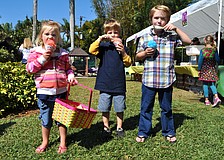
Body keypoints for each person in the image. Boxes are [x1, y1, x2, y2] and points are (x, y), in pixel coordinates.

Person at [135, 5, 191, 143]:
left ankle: (168, 131)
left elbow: (188, 41)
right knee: (146, 107)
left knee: (166, 108)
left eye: (163, 18)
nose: (159, 21)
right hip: (149, 79)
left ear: (167, 20)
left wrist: (177, 29)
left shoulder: (172, 36)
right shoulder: (144, 36)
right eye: (156, 18)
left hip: (166, 79)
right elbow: (137, 56)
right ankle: (143, 132)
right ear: (151, 19)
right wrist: (144, 53)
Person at [26, 20, 78, 154]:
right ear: (41, 36)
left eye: (54, 35)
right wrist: (43, 58)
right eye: (47, 34)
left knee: (62, 118)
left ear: (58, 37)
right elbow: (30, 69)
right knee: (46, 118)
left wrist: (70, 76)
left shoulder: (63, 54)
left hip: (61, 92)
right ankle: (45, 141)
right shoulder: (36, 52)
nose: (50, 37)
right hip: (44, 92)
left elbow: (68, 69)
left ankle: (63, 142)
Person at [89, 19, 132, 138]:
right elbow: (91, 50)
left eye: (116, 32)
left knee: (119, 107)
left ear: (120, 34)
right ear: (106, 34)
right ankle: (106, 127)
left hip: (119, 83)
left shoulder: (123, 48)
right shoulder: (103, 47)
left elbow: (128, 63)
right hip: (104, 83)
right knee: (105, 107)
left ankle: (119, 127)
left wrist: (123, 52)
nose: (113, 35)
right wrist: (99, 39)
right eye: (110, 32)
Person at [198, 35, 221, 107]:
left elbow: (200, 61)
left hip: (204, 69)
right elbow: (218, 60)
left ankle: (206, 100)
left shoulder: (203, 50)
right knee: (212, 84)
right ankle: (216, 97)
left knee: (205, 84)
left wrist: (199, 69)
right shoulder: (214, 50)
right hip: (212, 69)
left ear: (205, 41)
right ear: (212, 41)